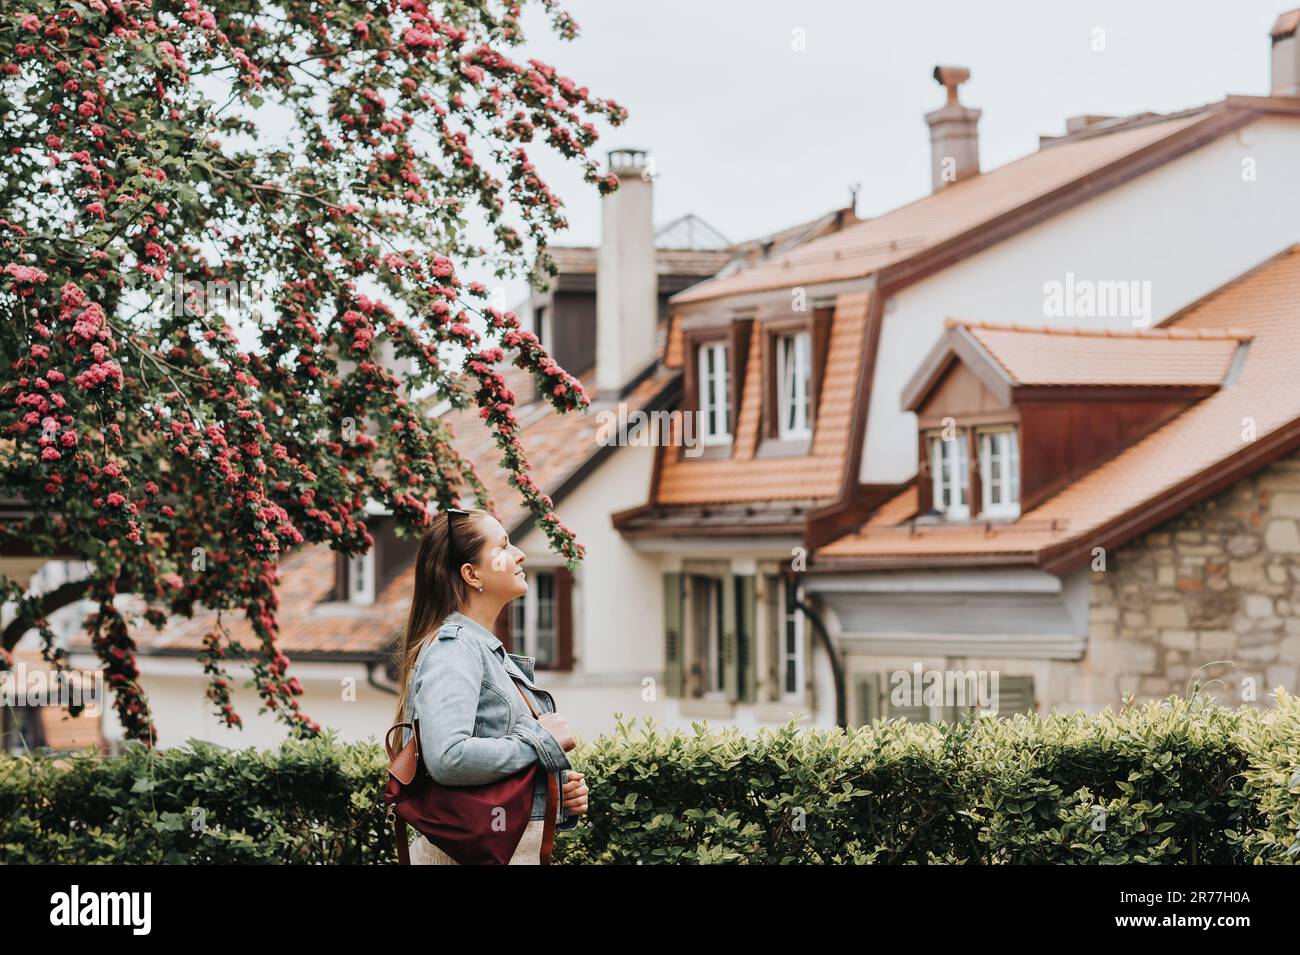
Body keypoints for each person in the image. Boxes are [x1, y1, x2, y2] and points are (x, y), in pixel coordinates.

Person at [390, 506, 590, 864]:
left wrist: (556, 794)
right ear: (471, 574)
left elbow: (492, 787)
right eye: (504, 545)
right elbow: (449, 758)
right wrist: (543, 742)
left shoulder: (480, 651)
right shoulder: (455, 649)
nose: (520, 554)